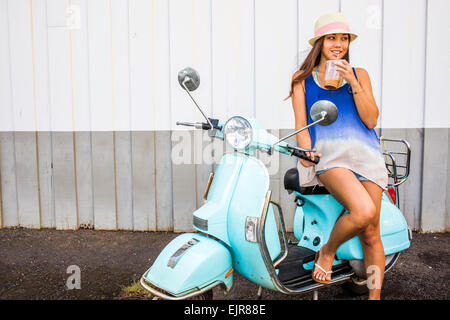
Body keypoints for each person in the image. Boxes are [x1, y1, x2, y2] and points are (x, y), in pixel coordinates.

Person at [288, 12, 388, 300]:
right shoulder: (302, 80)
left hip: (367, 156)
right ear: (320, 42)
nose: (339, 44)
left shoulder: (360, 74)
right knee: (365, 211)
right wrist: (306, 152)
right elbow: (301, 126)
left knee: (371, 233)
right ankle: (327, 251)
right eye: (332, 38)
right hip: (330, 158)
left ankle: (374, 297)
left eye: (343, 38)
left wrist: (352, 82)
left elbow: (370, 121)